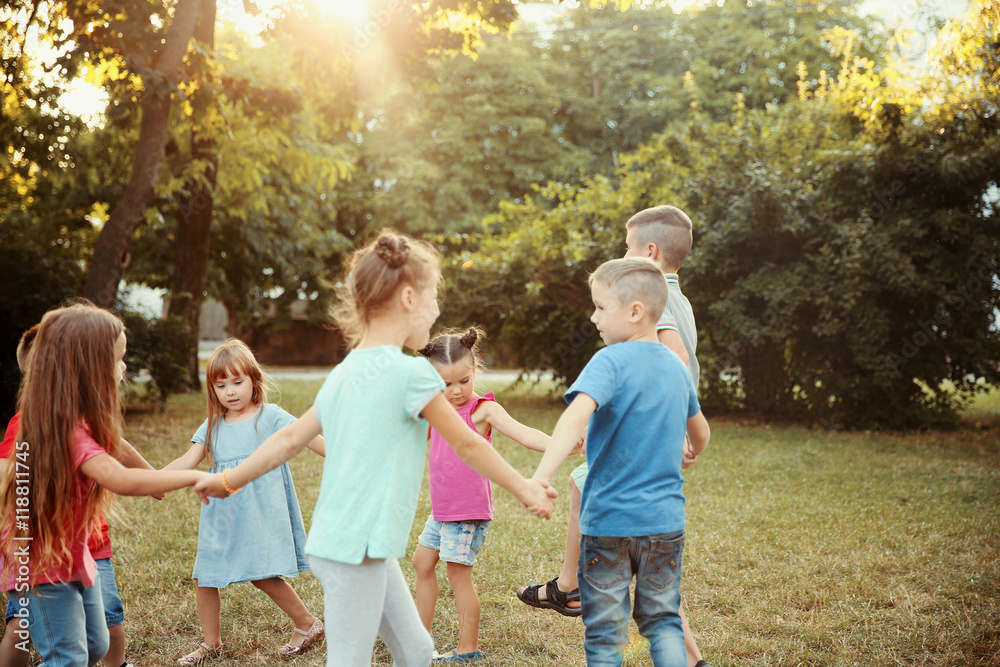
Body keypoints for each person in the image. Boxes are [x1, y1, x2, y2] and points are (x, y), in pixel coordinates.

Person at [194, 229, 555, 667]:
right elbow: (467, 444)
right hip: (356, 550)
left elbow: (291, 439)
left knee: (417, 652)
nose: (437, 309)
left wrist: (228, 479)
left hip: (355, 544)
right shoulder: (414, 375)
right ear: (408, 298)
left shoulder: (346, 371)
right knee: (349, 660)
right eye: (433, 297)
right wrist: (525, 488)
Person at [517, 204, 712, 667]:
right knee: (661, 618)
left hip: (610, 521)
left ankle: (569, 590)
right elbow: (701, 428)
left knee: (606, 632)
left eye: (601, 308)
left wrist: (540, 474)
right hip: (666, 518)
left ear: (635, 309)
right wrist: (691, 444)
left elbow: (570, 421)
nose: (594, 318)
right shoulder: (675, 332)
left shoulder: (611, 358)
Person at [0, 302, 208, 667]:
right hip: (46, 563)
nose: (124, 367)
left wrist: (156, 477)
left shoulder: (83, 421)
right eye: (118, 359)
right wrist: (194, 476)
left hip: (75, 555)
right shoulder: (66, 431)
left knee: (95, 646)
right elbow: (121, 479)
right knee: (70, 657)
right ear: (88, 369)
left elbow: (121, 453)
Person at [163, 338, 326, 665]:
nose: (230, 391)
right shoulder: (212, 425)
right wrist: (154, 479)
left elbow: (312, 440)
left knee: (261, 573)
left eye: (238, 382)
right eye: (221, 385)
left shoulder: (270, 416)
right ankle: (211, 644)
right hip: (220, 514)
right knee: (204, 576)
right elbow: (189, 457)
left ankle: (307, 624)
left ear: (254, 380)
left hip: (258, 512)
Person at [413, 327, 551, 663]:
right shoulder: (435, 410)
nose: (456, 391)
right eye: (445, 384)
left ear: (474, 371)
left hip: (468, 511)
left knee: (458, 575)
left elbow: (523, 433)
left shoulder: (482, 410)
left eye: (463, 380)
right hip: (442, 509)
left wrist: (563, 444)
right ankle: (419, 635)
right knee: (421, 563)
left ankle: (467, 649)